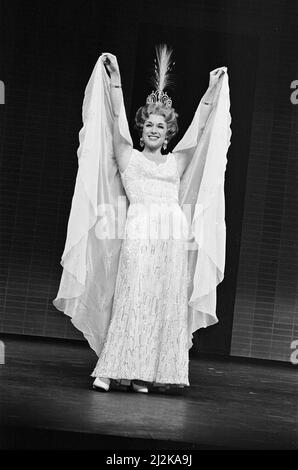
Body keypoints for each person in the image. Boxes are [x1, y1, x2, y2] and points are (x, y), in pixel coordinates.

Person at [53, 46, 231, 394]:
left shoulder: (177, 162)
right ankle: (112, 368)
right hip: (139, 233)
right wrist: (115, 80)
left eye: (160, 126)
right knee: (133, 298)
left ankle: (143, 373)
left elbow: (201, 127)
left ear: (168, 134)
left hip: (172, 237)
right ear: (142, 129)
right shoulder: (128, 159)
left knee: (163, 302)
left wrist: (211, 90)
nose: (153, 129)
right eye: (148, 124)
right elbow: (115, 119)